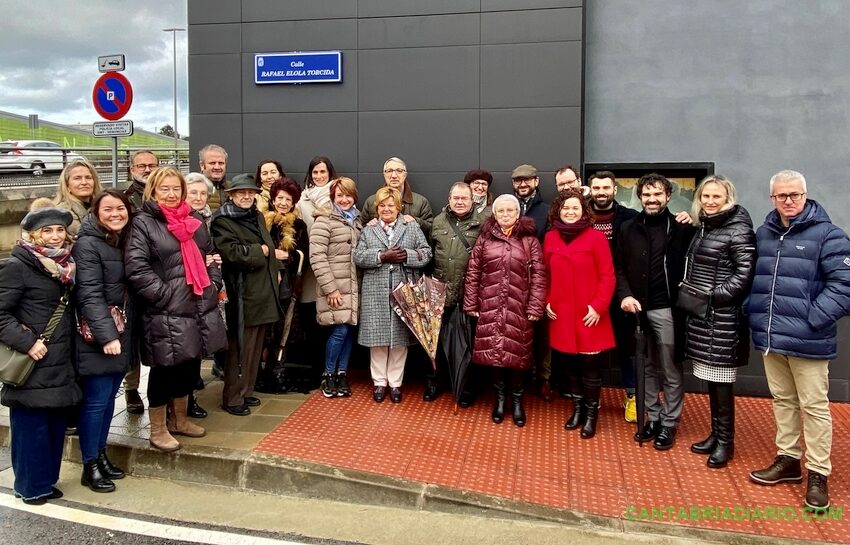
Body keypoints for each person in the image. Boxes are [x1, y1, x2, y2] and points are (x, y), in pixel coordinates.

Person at [748, 170, 850, 510]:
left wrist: (813, 318)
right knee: (783, 401)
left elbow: (844, 285)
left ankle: (818, 473)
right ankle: (788, 460)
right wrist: (755, 311)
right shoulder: (764, 234)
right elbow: (756, 280)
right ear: (772, 198)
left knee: (815, 407)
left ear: (806, 196)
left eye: (794, 195)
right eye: (781, 196)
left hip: (808, 339)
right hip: (771, 336)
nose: (788, 201)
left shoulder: (829, 235)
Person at [124, 167, 227, 451]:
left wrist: (213, 282)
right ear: (153, 191)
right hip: (165, 310)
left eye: (175, 189)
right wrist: (165, 294)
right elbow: (136, 268)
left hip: (198, 304)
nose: (171, 194)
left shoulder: (194, 221)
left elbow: (211, 256)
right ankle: (158, 429)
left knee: (189, 364)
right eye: (164, 189)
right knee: (164, 368)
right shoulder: (144, 223)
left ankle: (179, 420)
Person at [0, 207, 81, 505]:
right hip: (33, 360)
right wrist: (27, 342)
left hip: (60, 362)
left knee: (54, 426)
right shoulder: (18, 266)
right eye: (47, 231)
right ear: (34, 235)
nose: (55, 236)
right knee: (30, 429)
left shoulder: (65, 266)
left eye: (60, 230)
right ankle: (30, 486)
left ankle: (46, 480)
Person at [682, 175, 756, 469]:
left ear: (728, 199)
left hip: (722, 317)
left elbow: (744, 275)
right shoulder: (706, 227)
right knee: (713, 381)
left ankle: (726, 442)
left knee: (723, 382)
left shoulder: (738, 230)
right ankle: (715, 434)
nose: (710, 202)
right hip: (705, 316)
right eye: (705, 197)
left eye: (716, 197)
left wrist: (712, 297)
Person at [616, 173, 694, 450]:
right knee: (645, 367)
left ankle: (670, 423)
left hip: (668, 310)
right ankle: (653, 418)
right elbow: (620, 267)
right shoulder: (628, 228)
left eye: (657, 194)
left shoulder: (682, 228)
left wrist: (693, 219)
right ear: (640, 197)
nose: (652, 199)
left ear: (668, 196)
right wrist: (624, 295)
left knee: (670, 368)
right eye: (647, 194)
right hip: (637, 310)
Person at [464, 194, 546, 427]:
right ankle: (500, 400)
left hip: (518, 307)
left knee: (517, 356)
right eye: (501, 211)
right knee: (495, 356)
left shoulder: (529, 240)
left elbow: (539, 275)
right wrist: (471, 303)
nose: (506, 215)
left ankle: (518, 402)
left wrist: (535, 307)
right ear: (495, 213)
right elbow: (473, 272)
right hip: (490, 305)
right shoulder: (485, 238)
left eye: (511, 211)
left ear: (518, 213)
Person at [72, 190, 135, 493]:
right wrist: (107, 335)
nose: (115, 214)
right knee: (95, 403)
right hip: (100, 337)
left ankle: (100, 455)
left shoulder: (122, 241)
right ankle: (89, 465)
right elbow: (89, 294)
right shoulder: (87, 245)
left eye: (120, 208)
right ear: (96, 213)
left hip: (120, 333)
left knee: (109, 400)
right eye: (107, 209)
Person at [544, 189, 615, 439]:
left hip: (589, 313)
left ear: (584, 211)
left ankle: (591, 414)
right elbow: (546, 275)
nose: (570, 212)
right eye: (566, 208)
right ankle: (577, 409)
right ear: (558, 211)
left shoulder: (596, 238)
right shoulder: (551, 237)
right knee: (569, 366)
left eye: (575, 208)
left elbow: (608, 276)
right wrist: (547, 301)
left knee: (590, 368)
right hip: (561, 312)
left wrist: (598, 306)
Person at [212, 174, 283, 416]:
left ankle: (247, 391)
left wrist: (275, 266)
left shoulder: (257, 216)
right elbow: (231, 253)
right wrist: (260, 250)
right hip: (242, 293)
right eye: (241, 192)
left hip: (262, 291)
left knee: (254, 347)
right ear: (231, 195)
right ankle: (232, 398)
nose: (246, 196)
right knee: (240, 348)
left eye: (250, 192)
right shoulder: (222, 220)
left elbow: (269, 248)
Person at [354, 187, 432, 404]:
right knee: (377, 341)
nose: (386, 209)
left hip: (403, 289)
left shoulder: (411, 226)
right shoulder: (369, 230)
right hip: (375, 292)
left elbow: (426, 252)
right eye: (382, 205)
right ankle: (379, 383)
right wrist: (381, 255)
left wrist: (406, 255)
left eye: (391, 205)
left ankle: (395, 384)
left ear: (399, 208)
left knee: (399, 341)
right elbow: (358, 256)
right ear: (376, 208)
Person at [427, 182, 485, 403]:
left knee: (467, 346)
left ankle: (466, 388)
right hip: (439, 293)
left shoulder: (482, 224)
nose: (460, 202)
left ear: (472, 200)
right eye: (456, 198)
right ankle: (434, 382)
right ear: (449, 199)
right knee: (435, 344)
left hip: (467, 295)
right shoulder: (438, 222)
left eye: (464, 198)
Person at [588, 171, 639, 422]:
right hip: (589, 294)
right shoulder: (582, 218)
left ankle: (632, 395)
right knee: (590, 348)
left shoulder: (630, 218)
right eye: (596, 187)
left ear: (614, 190)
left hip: (620, 294)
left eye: (605, 187)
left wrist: (687, 218)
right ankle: (592, 396)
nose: (601, 192)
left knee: (627, 348)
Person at [310, 177, 362, 398]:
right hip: (335, 288)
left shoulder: (357, 220)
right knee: (339, 330)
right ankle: (328, 374)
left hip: (354, 287)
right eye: (339, 195)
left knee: (349, 329)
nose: (344, 199)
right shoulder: (323, 221)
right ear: (332, 197)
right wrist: (331, 289)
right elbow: (317, 257)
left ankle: (342, 373)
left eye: (348, 195)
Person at [258, 177, 309, 393]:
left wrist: (286, 259)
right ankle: (257, 373)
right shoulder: (261, 221)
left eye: (288, 199)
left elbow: (303, 255)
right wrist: (271, 257)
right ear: (273, 199)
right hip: (262, 284)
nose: (283, 203)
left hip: (287, 284)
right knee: (262, 331)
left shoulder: (299, 225)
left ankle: (276, 370)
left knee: (283, 329)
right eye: (279, 198)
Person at [121, 150, 159, 416]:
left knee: (159, 336)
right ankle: (132, 389)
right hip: (133, 276)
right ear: (131, 169)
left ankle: (162, 391)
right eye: (141, 165)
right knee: (132, 338)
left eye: (152, 165)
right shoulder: (124, 199)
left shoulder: (165, 195)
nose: (146, 169)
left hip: (162, 272)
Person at [511, 164, 551, 401]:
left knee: (542, 333)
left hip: (538, 278)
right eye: (518, 181)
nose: (522, 184)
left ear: (536, 181)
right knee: (517, 331)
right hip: (513, 281)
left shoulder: (546, 210)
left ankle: (543, 378)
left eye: (527, 180)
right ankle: (521, 378)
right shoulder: (508, 208)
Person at [297, 156, 339, 380]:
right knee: (310, 319)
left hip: (331, 268)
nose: (319, 176)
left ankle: (330, 368)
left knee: (330, 320)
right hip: (308, 272)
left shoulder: (338, 196)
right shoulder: (302, 200)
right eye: (315, 172)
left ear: (330, 173)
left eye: (323, 172)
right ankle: (315, 368)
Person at [184, 171, 221, 417]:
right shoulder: (174, 221)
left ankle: (189, 399)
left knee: (195, 348)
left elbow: (212, 256)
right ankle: (179, 404)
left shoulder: (203, 219)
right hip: (181, 293)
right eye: (193, 193)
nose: (198, 197)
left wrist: (214, 278)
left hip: (203, 292)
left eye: (203, 193)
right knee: (181, 353)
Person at [362, 157, 434, 237]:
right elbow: (361, 229)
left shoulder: (420, 202)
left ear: (405, 174)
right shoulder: (371, 201)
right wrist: (370, 226)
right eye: (389, 171)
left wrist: (416, 221)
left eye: (399, 171)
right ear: (384, 174)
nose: (394, 175)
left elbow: (431, 229)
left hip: (409, 248)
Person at [54, 159, 103, 238]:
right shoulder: (63, 212)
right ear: (67, 185)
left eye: (88, 177)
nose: (84, 182)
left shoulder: (101, 205)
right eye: (77, 178)